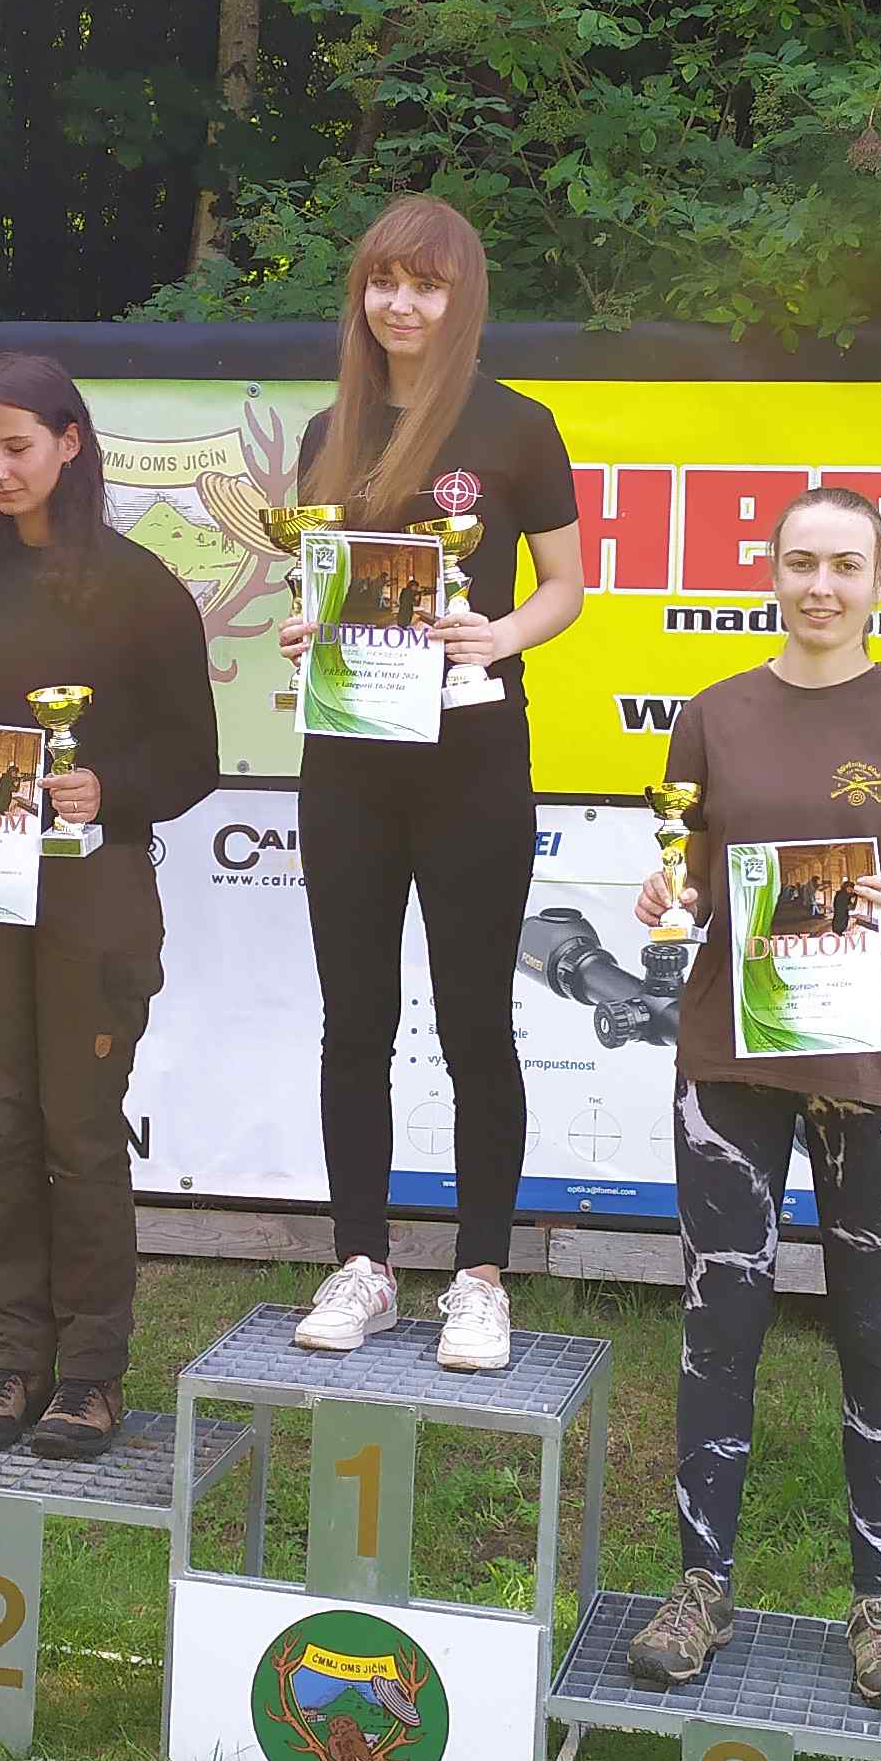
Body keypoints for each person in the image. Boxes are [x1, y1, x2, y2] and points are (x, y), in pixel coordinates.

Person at [625, 487, 881, 1709]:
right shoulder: (712, 716)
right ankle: (699, 1588)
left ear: (880, 581)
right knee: (717, 1322)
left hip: (869, 1070)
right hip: (730, 1061)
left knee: (876, 1333)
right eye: (799, 563)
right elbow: (684, 885)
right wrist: (664, 901)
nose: (820, 585)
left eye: (844, 565)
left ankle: (880, 1605)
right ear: (768, 572)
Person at [271, 195, 583, 1376]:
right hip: (348, 765)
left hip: (473, 762)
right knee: (352, 1022)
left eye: (426, 285)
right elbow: (327, 579)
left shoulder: (516, 426)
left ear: (462, 299)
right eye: (383, 282)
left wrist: (498, 636)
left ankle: (480, 1276)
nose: (400, 305)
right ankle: (361, 1262)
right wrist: (310, 631)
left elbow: (566, 586)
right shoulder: (328, 431)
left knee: (474, 1025)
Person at [0, 357, 216, 1461]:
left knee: (80, 1135)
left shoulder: (139, 588)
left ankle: (89, 1378)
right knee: (1, 1133)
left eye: (17, 447)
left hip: (92, 895)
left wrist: (104, 788)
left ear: (71, 444)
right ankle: (11, 1364)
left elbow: (194, 759)